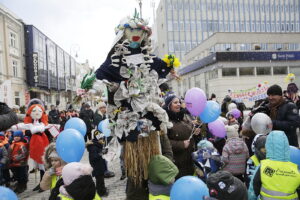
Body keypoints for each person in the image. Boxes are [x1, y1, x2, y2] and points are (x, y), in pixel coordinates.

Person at [252, 130, 300, 199]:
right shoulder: (295, 168)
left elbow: (255, 187)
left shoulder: (263, 166)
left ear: (268, 146)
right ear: (286, 146)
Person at [164, 95, 200, 179]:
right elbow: (164, 142)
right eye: (175, 102)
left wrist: (194, 131)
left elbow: (189, 130)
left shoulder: (184, 117)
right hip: (176, 162)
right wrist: (181, 144)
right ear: (169, 106)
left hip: (188, 160)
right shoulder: (165, 121)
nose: (179, 104)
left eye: (179, 102)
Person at [86, 131, 108, 197]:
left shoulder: (97, 144)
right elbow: (94, 157)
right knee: (99, 180)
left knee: (101, 179)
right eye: (101, 139)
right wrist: (102, 153)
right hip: (97, 167)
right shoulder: (93, 146)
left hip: (99, 165)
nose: (103, 140)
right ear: (98, 139)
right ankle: (101, 192)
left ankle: (102, 189)